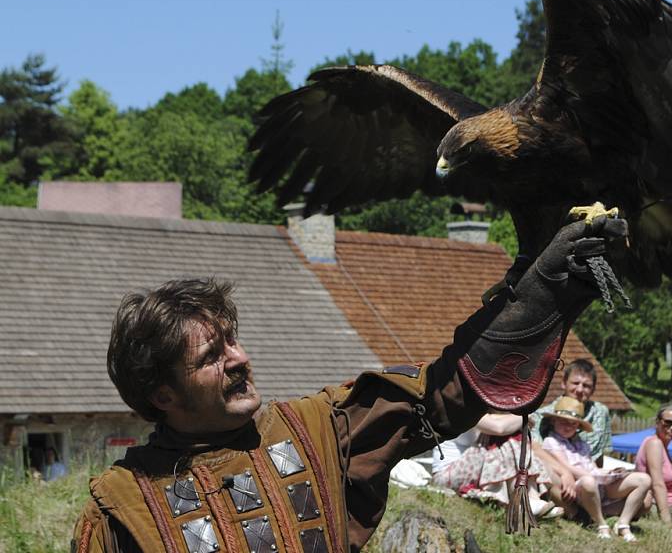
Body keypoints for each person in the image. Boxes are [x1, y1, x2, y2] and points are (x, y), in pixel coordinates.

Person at [71, 216, 628, 552]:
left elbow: (442, 394)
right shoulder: (121, 509)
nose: (240, 358)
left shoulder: (319, 427)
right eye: (213, 356)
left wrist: (543, 299)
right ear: (162, 394)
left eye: (234, 340)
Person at [541, 396, 651, 541]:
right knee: (588, 481)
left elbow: (592, 466)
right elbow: (565, 466)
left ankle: (623, 523)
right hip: (577, 488)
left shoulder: (582, 444)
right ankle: (601, 523)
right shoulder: (551, 441)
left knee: (644, 480)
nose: (568, 426)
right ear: (553, 421)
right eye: (563, 422)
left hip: (598, 485)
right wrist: (594, 476)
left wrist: (610, 474)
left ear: (578, 427)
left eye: (573, 424)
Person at [430, 413, 562, 519]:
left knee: (515, 431)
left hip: (471, 468)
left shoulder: (484, 408)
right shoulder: (462, 406)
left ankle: (532, 498)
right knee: (505, 434)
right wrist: (525, 417)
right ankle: (522, 499)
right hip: (447, 476)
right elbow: (498, 428)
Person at [534, 358, 611, 466]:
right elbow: (537, 453)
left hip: (590, 472)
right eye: (575, 383)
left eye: (586, 386)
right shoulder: (542, 416)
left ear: (593, 389)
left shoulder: (600, 413)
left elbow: (599, 454)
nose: (579, 390)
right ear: (564, 384)